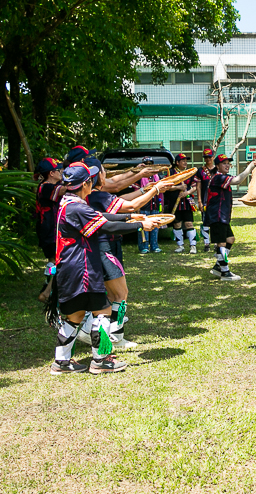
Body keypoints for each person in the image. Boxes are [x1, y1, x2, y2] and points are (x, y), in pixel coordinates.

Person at [47, 162, 159, 374]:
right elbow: (105, 226)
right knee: (103, 312)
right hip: (83, 270)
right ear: (86, 184)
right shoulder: (78, 207)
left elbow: (100, 218)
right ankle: (101, 359)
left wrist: (129, 216)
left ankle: (61, 361)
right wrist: (138, 225)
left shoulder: (68, 202)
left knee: (75, 317)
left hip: (69, 269)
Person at [78, 158, 168, 351]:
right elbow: (129, 205)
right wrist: (156, 189)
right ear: (96, 177)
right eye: (103, 172)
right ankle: (113, 336)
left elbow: (123, 204)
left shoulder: (89, 197)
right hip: (104, 247)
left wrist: (146, 191)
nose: (106, 175)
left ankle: (100, 331)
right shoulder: (98, 196)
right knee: (121, 294)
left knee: (110, 294)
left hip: (94, 248)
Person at [204, 153, 256, 281]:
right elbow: (238, 180)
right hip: (217, 216)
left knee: (230, 239)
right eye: (224, 163)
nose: (227, 165)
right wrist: (250, 167)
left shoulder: (222, 177)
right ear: (217, 166)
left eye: (228, 163)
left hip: (222, 216)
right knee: (221, 243)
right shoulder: (218, 177)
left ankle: (219, 265)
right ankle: (225, 272)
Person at [34, 158, 66, 302]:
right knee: (59, 262)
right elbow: (65, 189)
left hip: (51, 230)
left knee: (55, 261)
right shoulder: (46, 187)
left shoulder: (50, 185)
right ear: (51, 173)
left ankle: (48, 289)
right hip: (49, 231)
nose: (61, 172)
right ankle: (47, 292)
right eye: (59, 170)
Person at [165, 153, 199, 253]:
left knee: (189, 223)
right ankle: (180, 245)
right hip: (175, 202)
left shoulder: (190, 172)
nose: (185, 162)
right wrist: (178, 187)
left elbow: (195, 186)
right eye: (183, 161)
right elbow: (166, 186)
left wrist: (187, 192)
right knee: (177, 223)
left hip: (187, 202)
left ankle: (193, 246)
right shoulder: (171, 172)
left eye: (186, 161)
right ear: (177, 162)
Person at [135, 157, 163, 254]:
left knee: (155, 226)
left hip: (155, 204)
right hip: (143, 205)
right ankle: (144, 246)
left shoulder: (157, 176)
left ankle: (154, 246)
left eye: (150, 163)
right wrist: (137, 207)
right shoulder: (139, 177)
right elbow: (136, 192)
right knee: (143, 226)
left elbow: (161, 192)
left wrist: (161, 204)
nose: (148, 165)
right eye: (146, 164)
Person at [197, 148, 216, 251]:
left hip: (217, 200)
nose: (208, 159)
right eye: (206, 157)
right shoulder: (200, 171)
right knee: (205, 221)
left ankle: (217, 243)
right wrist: (199, 201)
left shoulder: (218, 169)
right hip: (205, 200)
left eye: (210, 157)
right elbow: (198, 186)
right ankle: (206, 244)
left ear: (213, 157)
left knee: (216, 222)